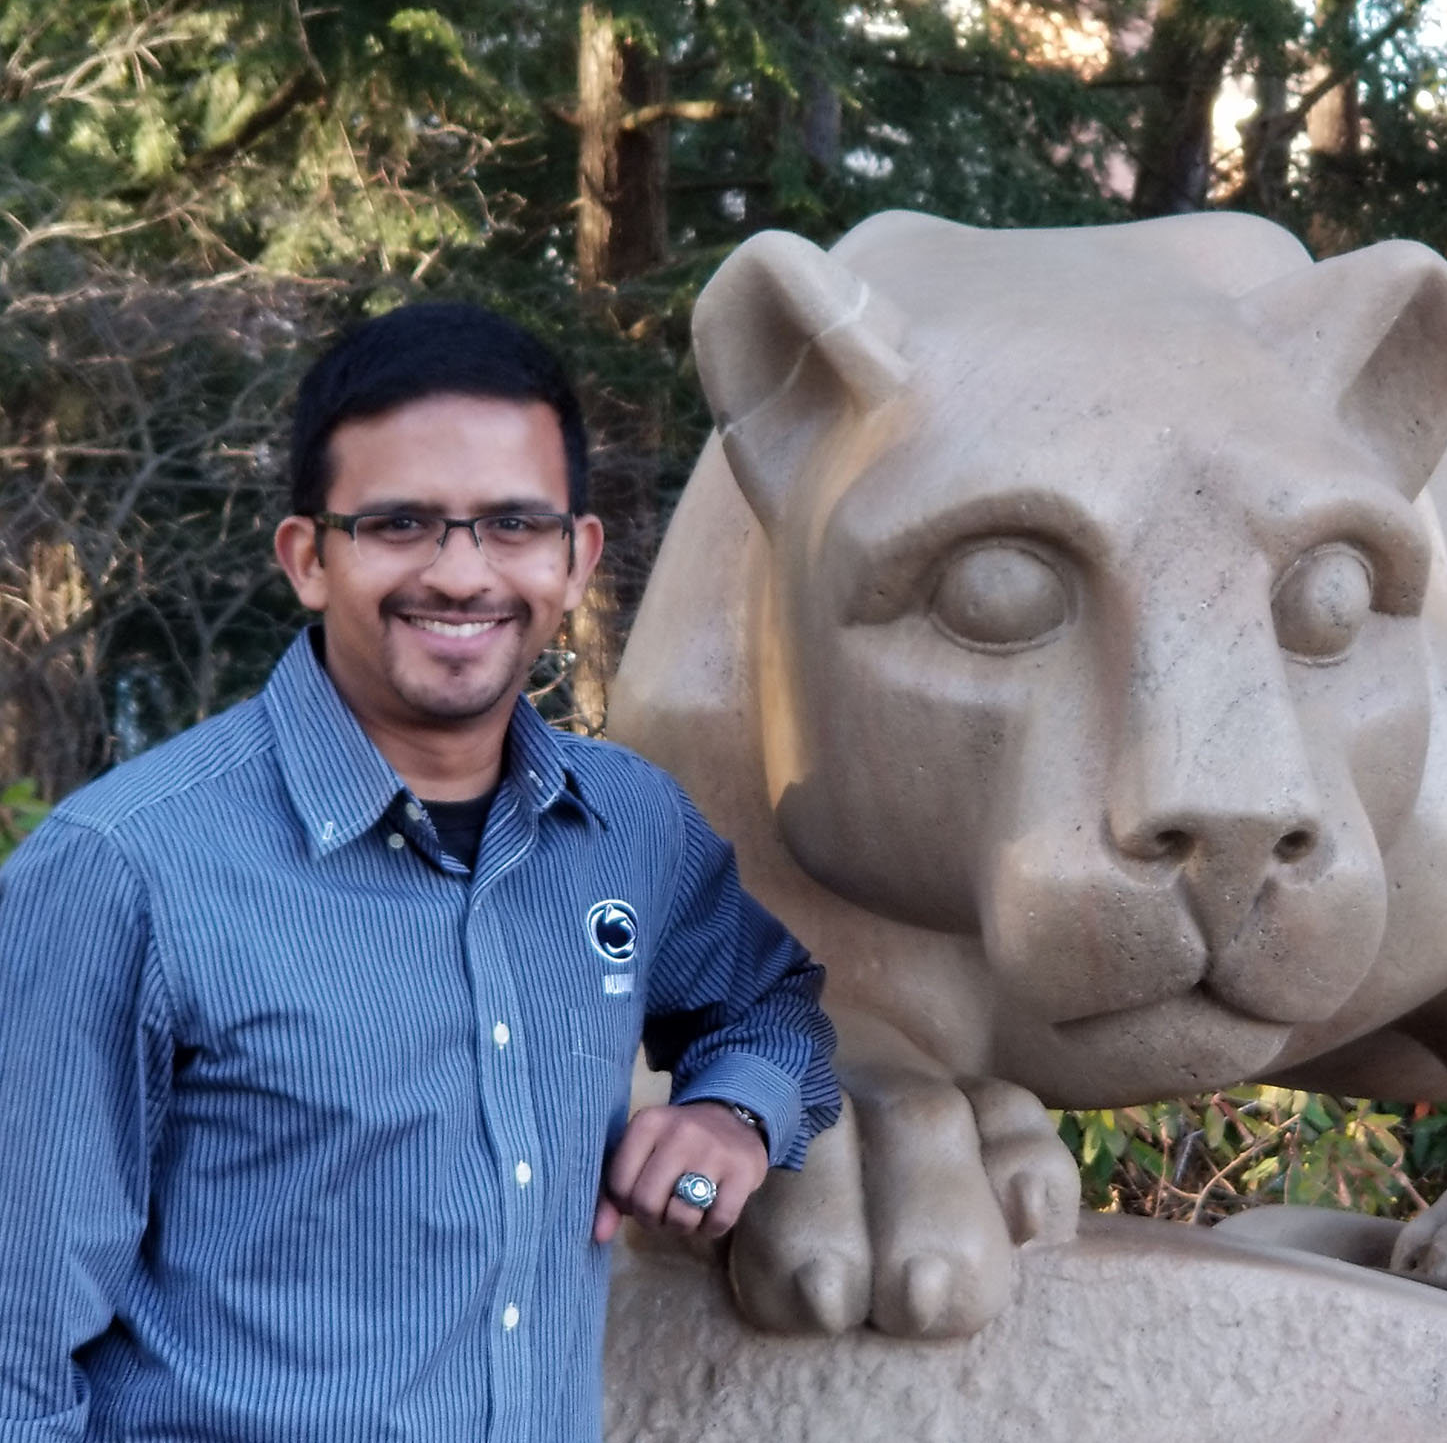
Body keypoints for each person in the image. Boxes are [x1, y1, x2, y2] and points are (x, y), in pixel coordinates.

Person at [0, 304, 841, 1441]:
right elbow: (15, 1353)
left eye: (512, 525)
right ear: (308, 557)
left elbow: (774, 1004)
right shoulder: (125, 872)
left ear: (574, 557)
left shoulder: (628, 829)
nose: (460, 574)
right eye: (398, 524)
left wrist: (734, 1116)